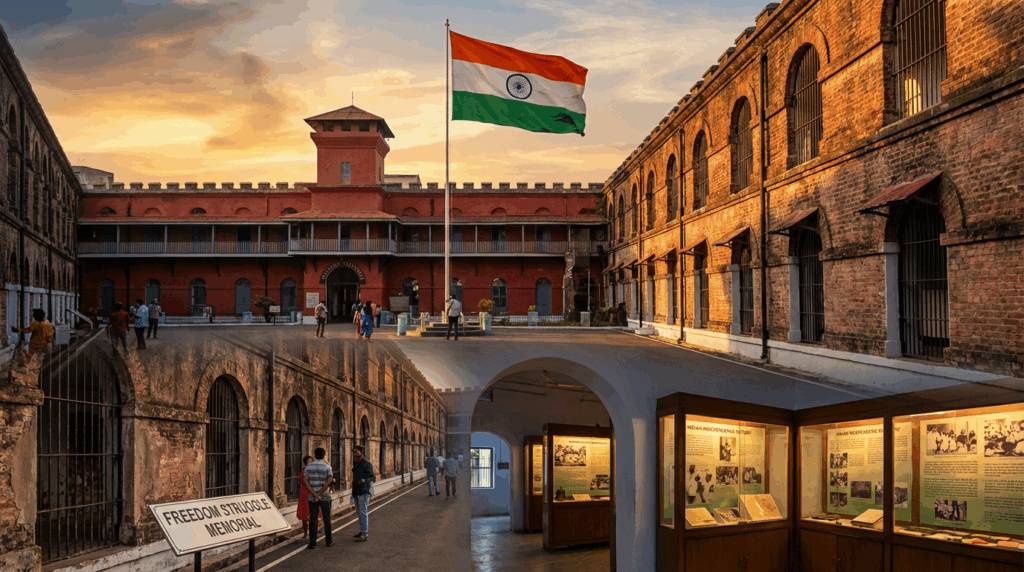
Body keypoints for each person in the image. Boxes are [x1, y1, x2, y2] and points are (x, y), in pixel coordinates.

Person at [302, 447, 334, 549]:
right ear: (324, 455)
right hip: (325, 496)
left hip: (312, 497)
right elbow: (328, 482)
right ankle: (329, 541)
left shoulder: (308, 467)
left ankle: (312, 543)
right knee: (327, 519)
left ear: (314, 455)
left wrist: (314, 494)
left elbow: (305, 481)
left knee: (313, 519)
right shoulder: (327, 467)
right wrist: (320, 493)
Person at [351, 445, 375, 542]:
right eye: (354, 452)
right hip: (356, 490)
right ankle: (362, 531)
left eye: (356, 452)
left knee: (363, 512)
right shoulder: (356, 463)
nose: (355, 454)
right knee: (359, 513)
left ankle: (365, 533)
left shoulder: (367, 463)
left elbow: (372, 478)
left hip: (364, 491)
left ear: (361, 452)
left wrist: (364, 480)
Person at [297, 456, 313, 539]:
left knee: (312, 513)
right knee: (304, 513)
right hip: (304, 493)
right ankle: (305, 533)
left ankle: (312, 532)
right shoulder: (303, 471)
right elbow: (300, 481)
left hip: (312, 492)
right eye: (309, 462)